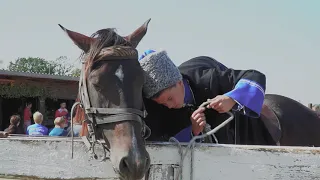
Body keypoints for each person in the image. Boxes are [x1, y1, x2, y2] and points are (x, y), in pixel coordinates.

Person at [139, 49, 269, 144]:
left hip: (234, 122)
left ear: (179, 82)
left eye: (170, 98)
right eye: (163, 103)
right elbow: (164, 137)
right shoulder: (159, 107)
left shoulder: (208, 79)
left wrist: (231, 99)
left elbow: (254, 76)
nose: (169, 105)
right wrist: (194, 132)